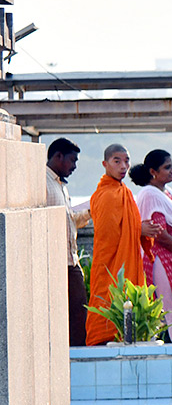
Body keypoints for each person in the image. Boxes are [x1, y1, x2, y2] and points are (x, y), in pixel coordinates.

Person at [85, 144, 163, 345]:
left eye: (126, 161)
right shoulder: (106, 195)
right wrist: (138, 230)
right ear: (105, 164)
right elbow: (108, 236)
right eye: (117, 161)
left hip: (125, 261)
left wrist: (138, 228)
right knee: (108, 304)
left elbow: (127, 226)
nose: (123, 166)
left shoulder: (124, 192)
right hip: (110, 265)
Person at [131, 150, 172, 343]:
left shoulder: (164, 191)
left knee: (171, 311)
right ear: (153, 171)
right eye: (167, 167)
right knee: (171, 311)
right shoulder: (151, 194)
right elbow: (160, 234)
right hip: (162, 259)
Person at [46, 138, 91, 346]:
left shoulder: (60, 185)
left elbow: (69, 221)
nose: (74, 167)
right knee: (69, 314)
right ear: (58, 156)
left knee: (79, 312)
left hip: (70, 260)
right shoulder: (43, 182)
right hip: (55, 262)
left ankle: (75, 355)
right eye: (72, 161)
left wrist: (91, 212)